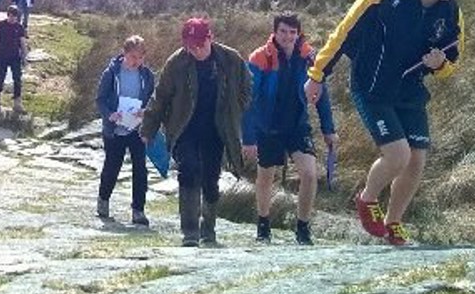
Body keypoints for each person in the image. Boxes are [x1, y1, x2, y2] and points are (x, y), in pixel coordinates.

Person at [305, 0, 465, 246]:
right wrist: (316, 76)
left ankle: (394, 223)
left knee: (416, 161)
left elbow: (453, 61)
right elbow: (341, 34)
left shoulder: (451, 12)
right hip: (372, 88)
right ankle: (366, 199)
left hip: (410, 92)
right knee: (398, 155)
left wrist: (441, 64)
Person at [141, 17, 251, 247]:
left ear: (211, 38)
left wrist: (235, 109)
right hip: (184, 128)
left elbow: (246, 88)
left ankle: (208, 229)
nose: (196, 50)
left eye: (201, 44)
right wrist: (148, 128)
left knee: (211, 179)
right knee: (188, 170)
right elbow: (160, 97)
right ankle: (189, 232)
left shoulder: (231, 60)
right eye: (191, 45)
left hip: (216, 129)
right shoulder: (177, 63)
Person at [242, 12, 337, 245]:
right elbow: (247, 101)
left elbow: (321, 95)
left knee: (309, 173)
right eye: (283, 31)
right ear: (275, 32)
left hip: (297, 125)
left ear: (298, 33)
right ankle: (263, 226)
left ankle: (303, 228)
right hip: (268, 127)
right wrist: (249, 138)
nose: (287, 36)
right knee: (265, 177)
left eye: (292, 32)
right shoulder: (259, 58)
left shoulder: (310, 58)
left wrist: (328, 129)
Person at [96, 35, 155, 226]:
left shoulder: (147, 75)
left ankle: (138, 210)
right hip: (115, 130)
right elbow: (101, 99)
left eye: (140, 57)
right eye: (132, 57)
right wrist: (110, 115)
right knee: (112, 167)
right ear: (124, 54)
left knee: (140, 169)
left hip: (137, 129)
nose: (136, 61)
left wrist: (146, 111)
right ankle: (103, 199)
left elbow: (152, 100)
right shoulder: (111, 73)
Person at [0, 4, 29, 115]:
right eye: (10, 15)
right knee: (0, 76)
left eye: (14, 16)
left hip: (15, 56)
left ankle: (17, 102)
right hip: (2, 55)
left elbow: (22, 42)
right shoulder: (0, 25)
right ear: (7, 15)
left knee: (17, 78)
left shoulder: (19, 27)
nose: (12, 18)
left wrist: (24, 56)